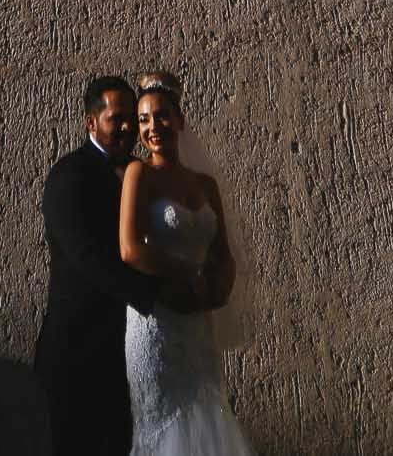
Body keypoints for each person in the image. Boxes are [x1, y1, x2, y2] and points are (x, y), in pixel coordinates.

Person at [36, 76, 202, 456]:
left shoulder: (141, 174)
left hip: (130, 354)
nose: (128, 127)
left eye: (132, 118)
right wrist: (160, 294)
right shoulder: (70, 176)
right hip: (78, 354)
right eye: (117, 119)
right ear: (91, 122)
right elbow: (88, 257)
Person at [118, 81, 255, 456]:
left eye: (162, 115)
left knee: (207, 420)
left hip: (197, 321)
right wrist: (188, 272)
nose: (152, 127)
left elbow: (222, 251)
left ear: (180, 119)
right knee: (164, 426)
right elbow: (130, 249)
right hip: (157, 323)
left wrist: (220, 287)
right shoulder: (139, 174)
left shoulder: (206, 185)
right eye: (143, 119)